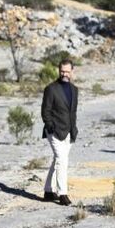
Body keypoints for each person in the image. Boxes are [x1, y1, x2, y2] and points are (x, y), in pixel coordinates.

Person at [40, 59, 79, 206]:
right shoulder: (51, 89)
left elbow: (72, 112)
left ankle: (48, 191)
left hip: (68, 131)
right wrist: (50, 126)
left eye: (67, 72)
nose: (64, 74)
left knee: (59, 160)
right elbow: (45, 111)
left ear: (72, 72)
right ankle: (63, 194)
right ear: (58, 70)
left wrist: (74, 129)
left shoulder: (75, 90)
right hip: (54, 131)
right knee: (62, 160)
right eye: (62, 71)